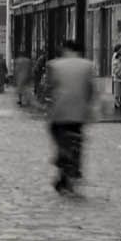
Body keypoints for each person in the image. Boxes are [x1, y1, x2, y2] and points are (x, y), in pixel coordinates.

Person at [44, 39, 95, 195]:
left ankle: (61, 159)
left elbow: (49, 88)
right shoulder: (88, 65)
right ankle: (74, 167)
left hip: (60, 113)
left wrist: (47, 104)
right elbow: (90, 89)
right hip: (79, 114)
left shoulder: (54, 65)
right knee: (78, 137)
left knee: (55, 133)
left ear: (65, 50)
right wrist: (89, 107)